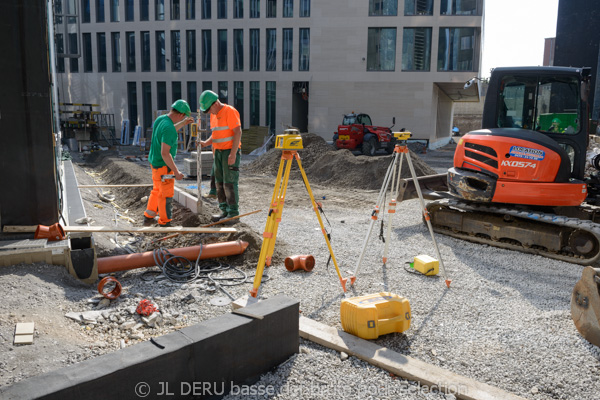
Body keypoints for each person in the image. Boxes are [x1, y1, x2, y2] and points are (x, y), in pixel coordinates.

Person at [144, 100, 194, 227]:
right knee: (165, 194)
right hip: (163, 166)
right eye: (183, 117)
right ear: (181, 114)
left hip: (154, 162)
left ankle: (149, 215)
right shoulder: (169, 128)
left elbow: (169, 130)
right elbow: (165, 153)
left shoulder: (161, 120)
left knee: (156, 189)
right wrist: (176, 172)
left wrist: (182, 124)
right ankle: (165, 222)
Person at [198, 90, 242, 223]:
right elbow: (216, 133)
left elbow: (237, 132)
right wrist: (206, 143)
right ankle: (224, 210)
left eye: (209, 109)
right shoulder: (214, 114)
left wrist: (233, 154)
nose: (209, 112)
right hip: (218, 152)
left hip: (229, 151)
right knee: (219, 183)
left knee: (229, 183)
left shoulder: (230, 111)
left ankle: (233, 213)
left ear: (216, 103)